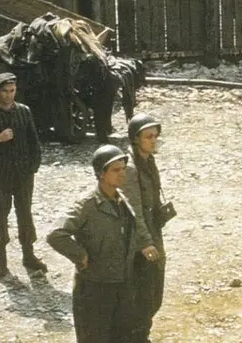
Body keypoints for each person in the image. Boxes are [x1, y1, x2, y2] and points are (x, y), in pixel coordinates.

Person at [48, 145, 159, 343]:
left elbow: (133, 227)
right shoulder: (86, 205)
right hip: (94, 289)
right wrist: (80, 255)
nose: (122, 174)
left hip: (121, 285)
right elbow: (55, 234)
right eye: (116, 170)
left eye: (123, 168)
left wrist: (145, 244)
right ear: (101, 173)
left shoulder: (121, 199)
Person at [0, 72, 47, 278]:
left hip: (23, 174)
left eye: (12, 90)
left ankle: (29, 256)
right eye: (5, 91)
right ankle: (1, 262)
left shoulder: (24, 111)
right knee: (0, 216)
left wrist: (33, 167)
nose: (9, 95)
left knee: (25, 214)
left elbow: (34, 142)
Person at [122, 115, 170, 343]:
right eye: (148, 137)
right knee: (144, 294)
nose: (153, 141)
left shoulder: (147, 160)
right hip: (139, 240)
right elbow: (134, 212)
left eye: (155, 136)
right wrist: (146, 243)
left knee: (154, 292)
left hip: (152, 232)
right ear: (135, 139)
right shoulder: (131, 169)